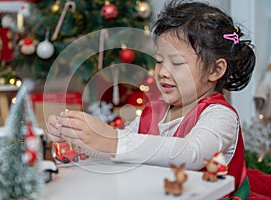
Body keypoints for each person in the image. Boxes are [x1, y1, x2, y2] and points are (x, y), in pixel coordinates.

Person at [47, 0, 259, 198]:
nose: (163, 72)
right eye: (159, 61)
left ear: (215, 69)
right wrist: (76, 139)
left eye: (176, 63)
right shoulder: (152, 112)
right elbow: (116, 152)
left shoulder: (221, 116)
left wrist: (113, 139)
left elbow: (192, 154)